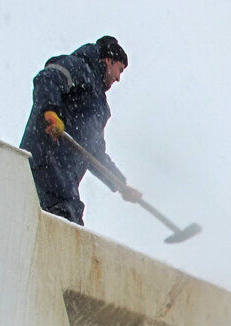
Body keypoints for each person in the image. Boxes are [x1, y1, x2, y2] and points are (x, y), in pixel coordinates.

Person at [20, 36, 141, 225]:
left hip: (65, 176)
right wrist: (51, 111)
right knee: (65, 216)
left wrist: (118, 182)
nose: (118, 78)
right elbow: (47, 78)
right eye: (120, 69)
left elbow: (93, 152)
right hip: (46, 159)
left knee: (68, 217)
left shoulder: (100, 106)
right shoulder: (79, 67)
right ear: (109, 61)